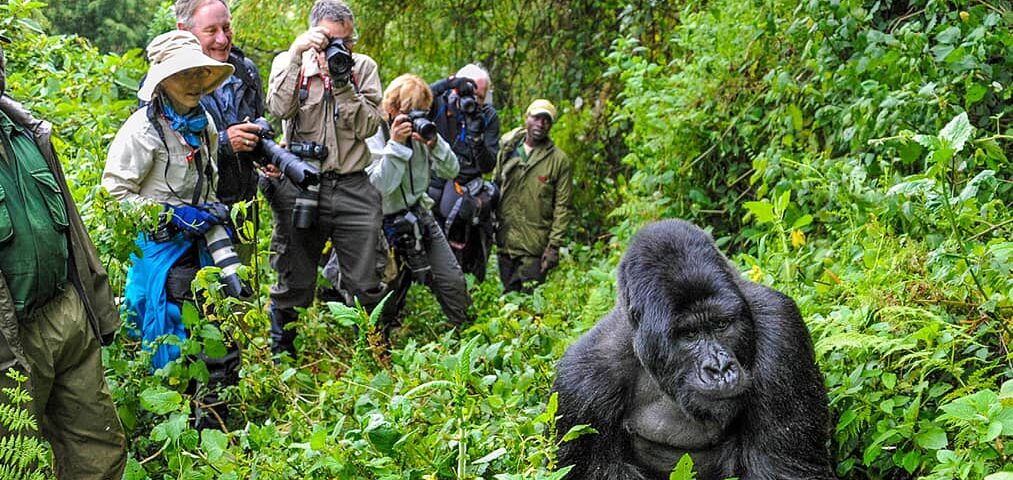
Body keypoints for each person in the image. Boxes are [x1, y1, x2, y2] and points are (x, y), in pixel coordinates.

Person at [0, 33, 127, 477]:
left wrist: (99, 308)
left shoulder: (25, 132)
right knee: (16, 465)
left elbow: (73, 229)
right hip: (8, 339)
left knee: (99, 452)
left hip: (66, 313)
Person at [103, 30, 240, 428]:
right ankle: (171, 422)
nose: (194, 83)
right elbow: (113, 194)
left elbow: (208, 178)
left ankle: (214, 416)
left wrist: (210, 211)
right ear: (163, 81)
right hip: (160, 247)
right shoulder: (141, 131)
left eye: (199, 74)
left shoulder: (204, 123)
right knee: (168, 331)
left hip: (201, 242)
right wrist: (167, 214)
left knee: (217, 322)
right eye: (184, 75)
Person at [265, 0, 385, 357]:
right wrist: (296, 54)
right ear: (313, 35)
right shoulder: (291, 63)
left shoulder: (363, 68)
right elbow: (278, 108)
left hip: (352, 183)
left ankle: (372, 351)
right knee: (294, 275)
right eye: (331, 40)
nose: (340, 48)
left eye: (347, 40)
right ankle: (282, 353)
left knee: (366, 278)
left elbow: (368, 126)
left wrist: (343, 84)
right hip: (303, 182)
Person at [366, 74, 470, 335]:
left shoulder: (421, 131)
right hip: (381, 222)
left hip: (418, 213)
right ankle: (378, 343)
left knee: (451, 279)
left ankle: (465, 333)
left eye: (422, 112)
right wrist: (396, 145)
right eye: (410, 112)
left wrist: (435, 144)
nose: (416, 119)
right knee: (384, 288)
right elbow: (380, 187)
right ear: (392, 108)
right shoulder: (373, 131)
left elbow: (452, 170)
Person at [175, 0, 266, 208]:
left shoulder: (245, 71)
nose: (222, 39)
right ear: (184, 30)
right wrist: (224, 142)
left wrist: (266, 154)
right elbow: (166, 156)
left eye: (226, 28)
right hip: (195, 212)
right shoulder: (167, 81)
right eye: (211, 31)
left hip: (244, 207)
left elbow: (257, 122)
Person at [427, 64, 501, 281]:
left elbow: (487, 165)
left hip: (466, 188)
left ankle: (466, 279)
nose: (473, 101)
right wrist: (448, 83)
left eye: (480, 97)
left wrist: (477, 139)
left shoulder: (487, 115)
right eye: (468, 93)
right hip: (434, 182)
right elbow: (409, 102)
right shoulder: (440, 104)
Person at [493, 99, 572, 293]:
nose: (540, 124)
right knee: (508, 299)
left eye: (546, 120)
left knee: (530, 302)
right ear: (526, 118)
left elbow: (562, 207)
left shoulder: (558, 160)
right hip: (506, 243)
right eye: (536, 118)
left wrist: (553, 247)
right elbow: (496, 186)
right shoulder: (508, 149)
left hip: (535, 248)